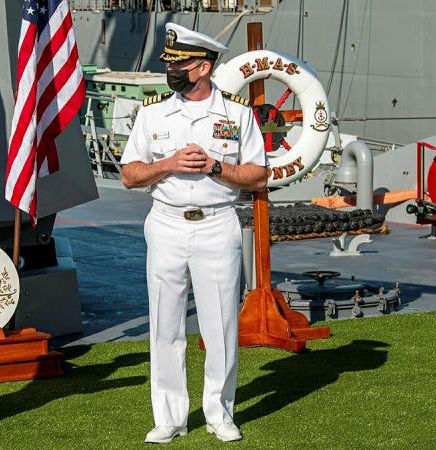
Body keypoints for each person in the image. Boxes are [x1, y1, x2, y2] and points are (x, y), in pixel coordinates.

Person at [120, 23, 269, 444]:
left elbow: (259, 174)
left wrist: (215, 167)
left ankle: (219, 413)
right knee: (164, 324)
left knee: (220, 324)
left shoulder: (237, 114)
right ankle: (169, 417)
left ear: (203, 67)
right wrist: (167, 163)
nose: (173, 71)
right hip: (166, 224)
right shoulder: (152, 113)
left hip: (219, 224)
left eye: (180, 64)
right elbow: (130, 175)